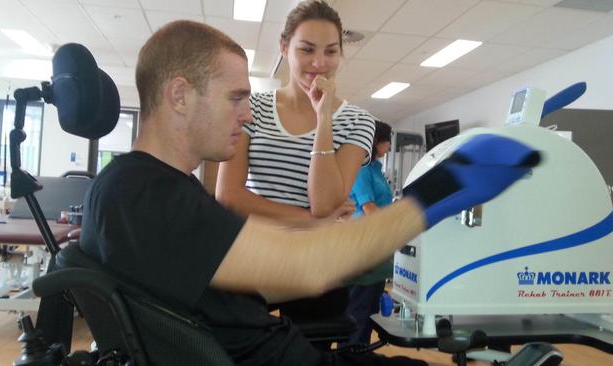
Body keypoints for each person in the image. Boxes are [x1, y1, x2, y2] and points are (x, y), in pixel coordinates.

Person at [79, 19, 539, 366]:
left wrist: (352, 251)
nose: (246, 114)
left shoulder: (140, 190)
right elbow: (305, 266)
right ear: (180, 95)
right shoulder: (145, 194)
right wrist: (441, 191)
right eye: (235, 98)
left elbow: (263, 276)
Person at [215, 0, 375, 325]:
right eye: (306, 50)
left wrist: (324, 118)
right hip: (253, 256)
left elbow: (324, 202)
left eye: (331, 52)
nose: (319, 63)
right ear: (284, 48)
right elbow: (229, 196)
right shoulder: (252, 108)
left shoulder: (358, 121)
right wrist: (311, 223)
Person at [344, 120, 394, 346]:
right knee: (359, 312)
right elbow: (370, 209)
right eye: (387, 141)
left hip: (378, 247)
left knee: (371, 310)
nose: (390, 146)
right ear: (375, 142)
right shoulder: (361, 169)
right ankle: (350, 356)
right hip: (364, 246)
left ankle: (362, 355)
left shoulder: (375, 168)